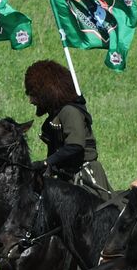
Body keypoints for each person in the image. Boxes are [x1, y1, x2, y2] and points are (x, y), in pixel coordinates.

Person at [24, 60, 111, 197]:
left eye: (33, 95)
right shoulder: (54, 117)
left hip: (85, 179)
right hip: (66, 178)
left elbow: (75, 146)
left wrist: (47, 162)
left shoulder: (70, 111)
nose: (31, 100)